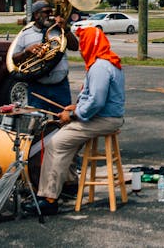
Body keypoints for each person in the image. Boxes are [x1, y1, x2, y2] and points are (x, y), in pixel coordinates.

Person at [26, 24, 125, 216]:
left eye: (83, 42)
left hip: (104, 119)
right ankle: (69, 183)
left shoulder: (99, 67)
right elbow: (94, 99)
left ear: (91, 43)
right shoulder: (106, 61)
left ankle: (49, 198)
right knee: (66, 137)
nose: (80, 47)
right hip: (107, 117)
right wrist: (76, 108)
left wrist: (72, 115)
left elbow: (96, 102)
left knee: (56, 143)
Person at [12, 0, 74, 109]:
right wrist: (26, 52)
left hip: (60, 86)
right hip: (37, 86)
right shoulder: (25, 34)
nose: (50, 15)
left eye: (51, 12)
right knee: (37, 122)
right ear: (36, 15)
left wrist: (66, 29)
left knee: (64, 122)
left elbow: (75, 46)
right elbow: (14, 59)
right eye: (46, 12)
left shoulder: (59, 31)